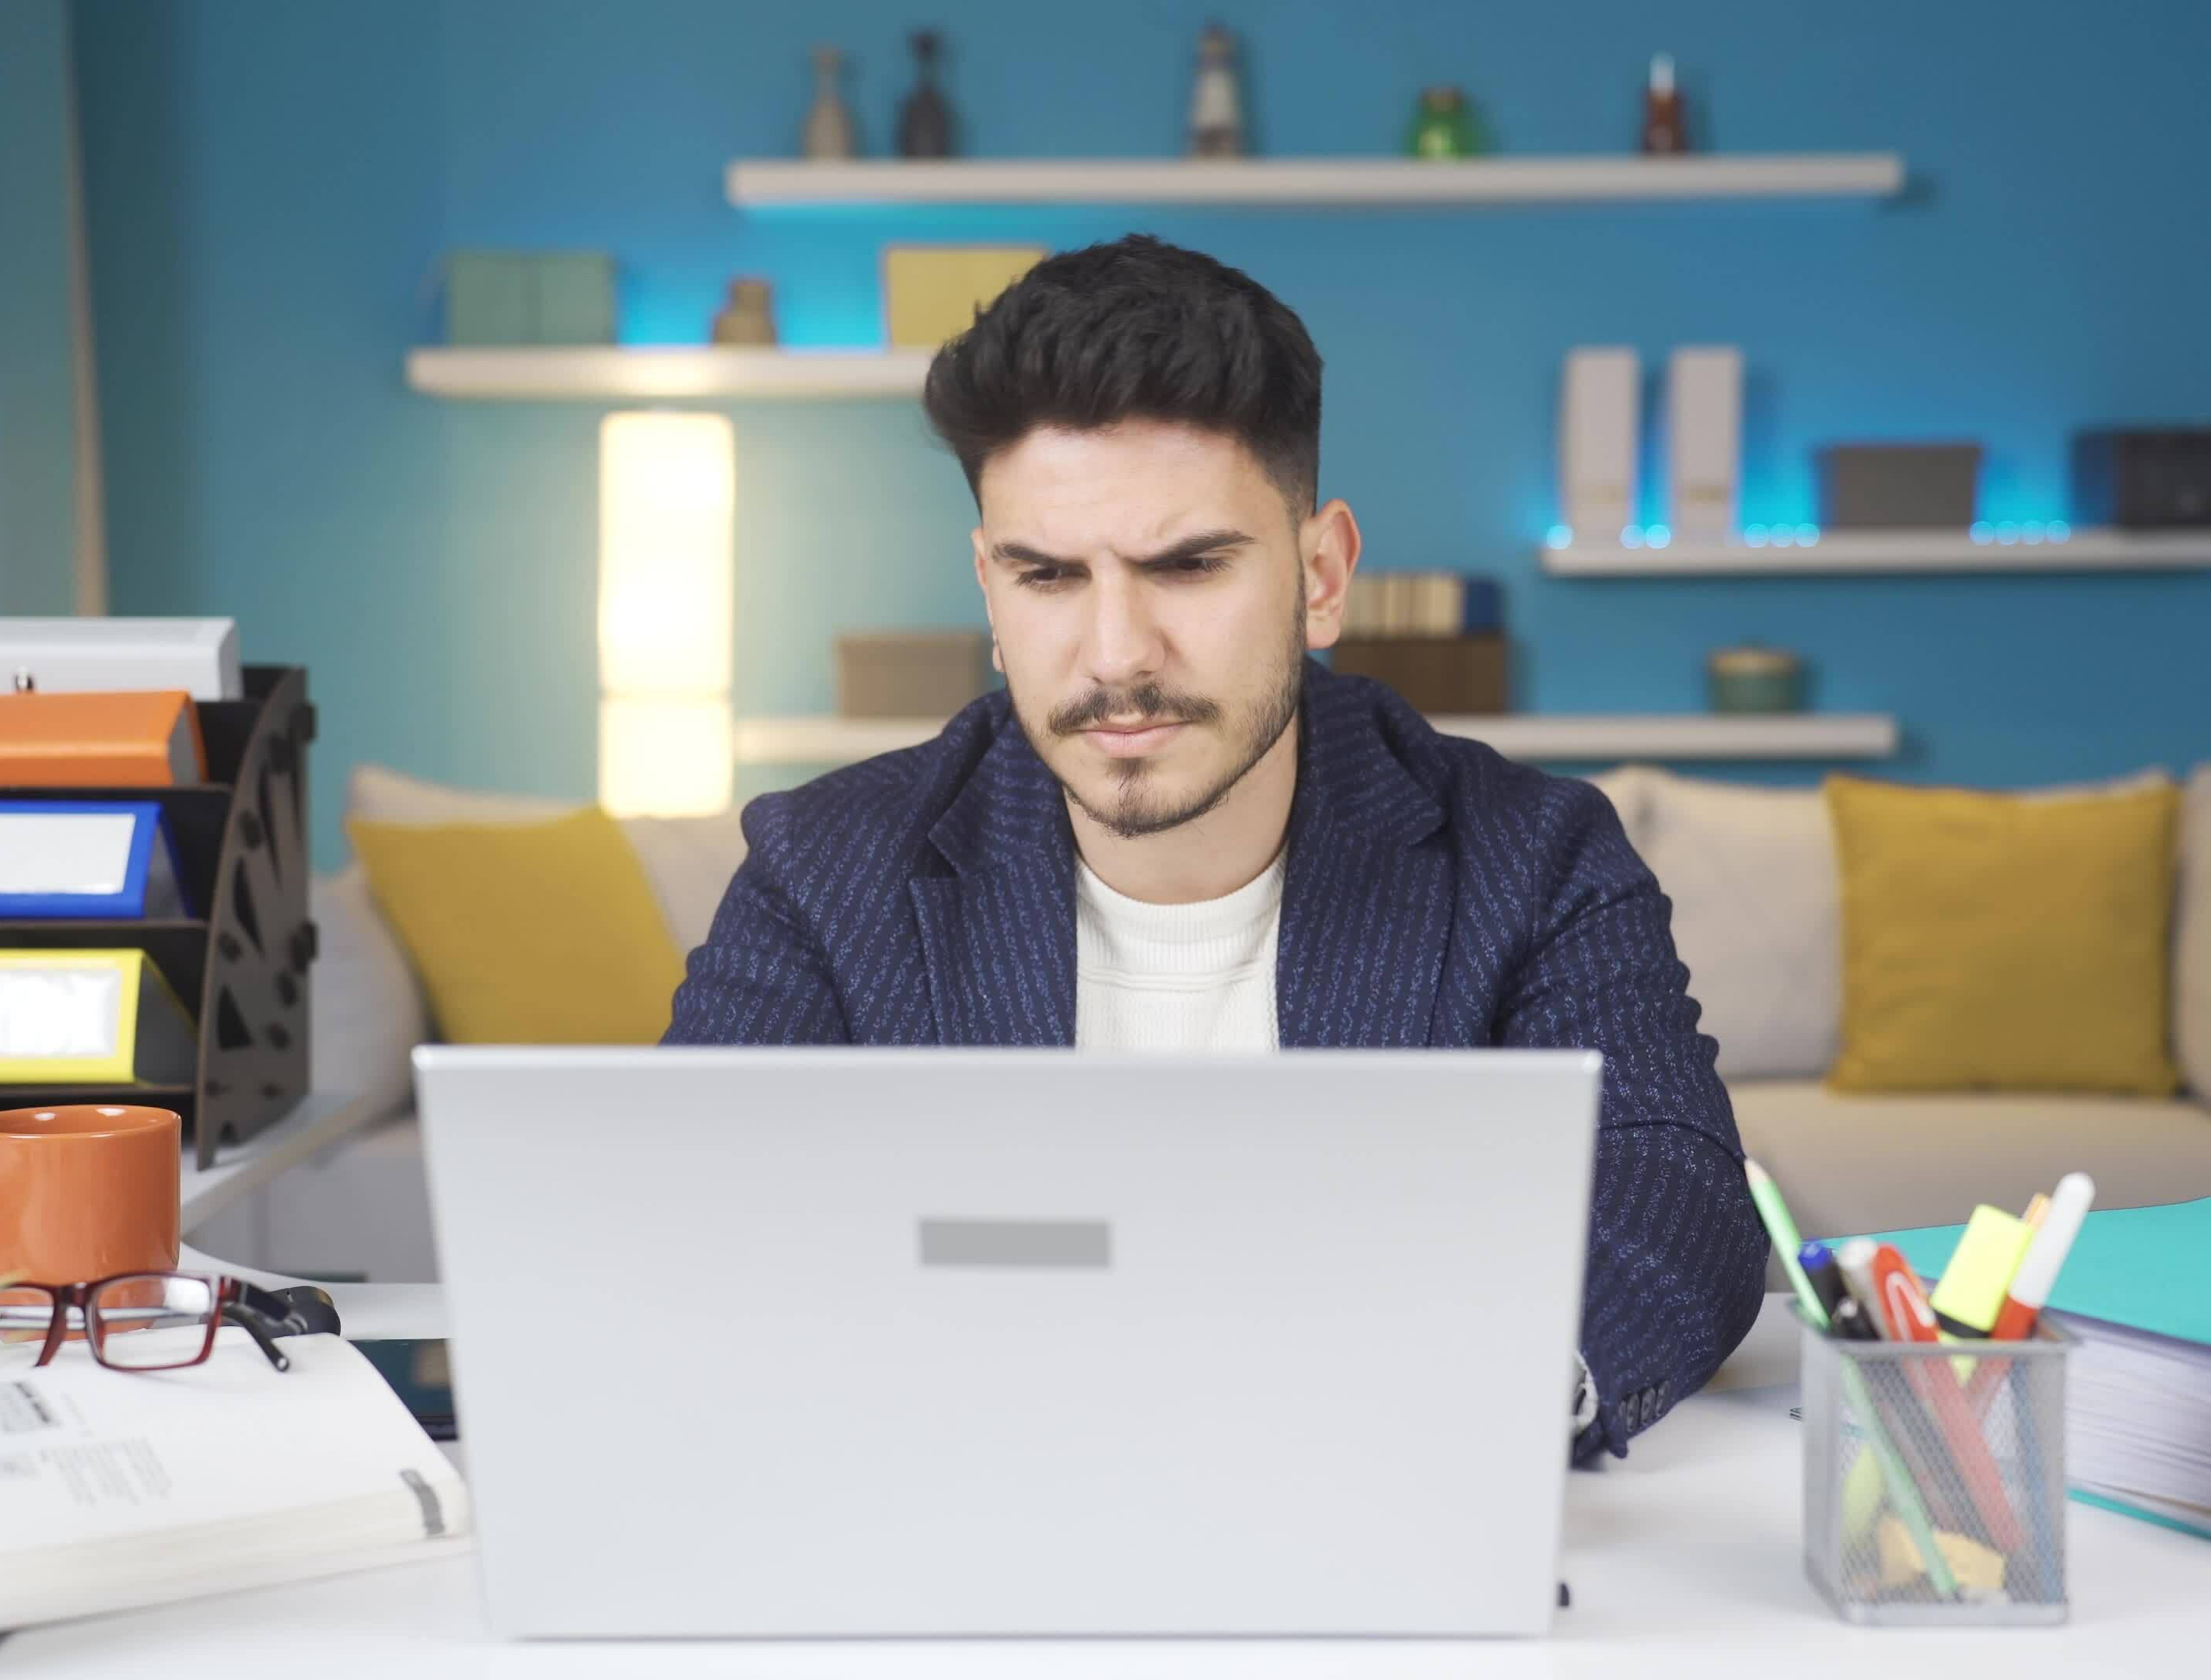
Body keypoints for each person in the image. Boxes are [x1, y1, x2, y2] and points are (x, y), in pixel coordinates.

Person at [666, 235, 1766, 1454]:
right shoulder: (828, 867)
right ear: (989, 591)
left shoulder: (1532, 857)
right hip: (958, 1517)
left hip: (1377, 1510)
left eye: (1186, 567)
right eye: (1047, 576)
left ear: (1321, 575)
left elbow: (1676, 1194)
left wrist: (1468, 1409)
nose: (1117, 653)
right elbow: (683, 1217)